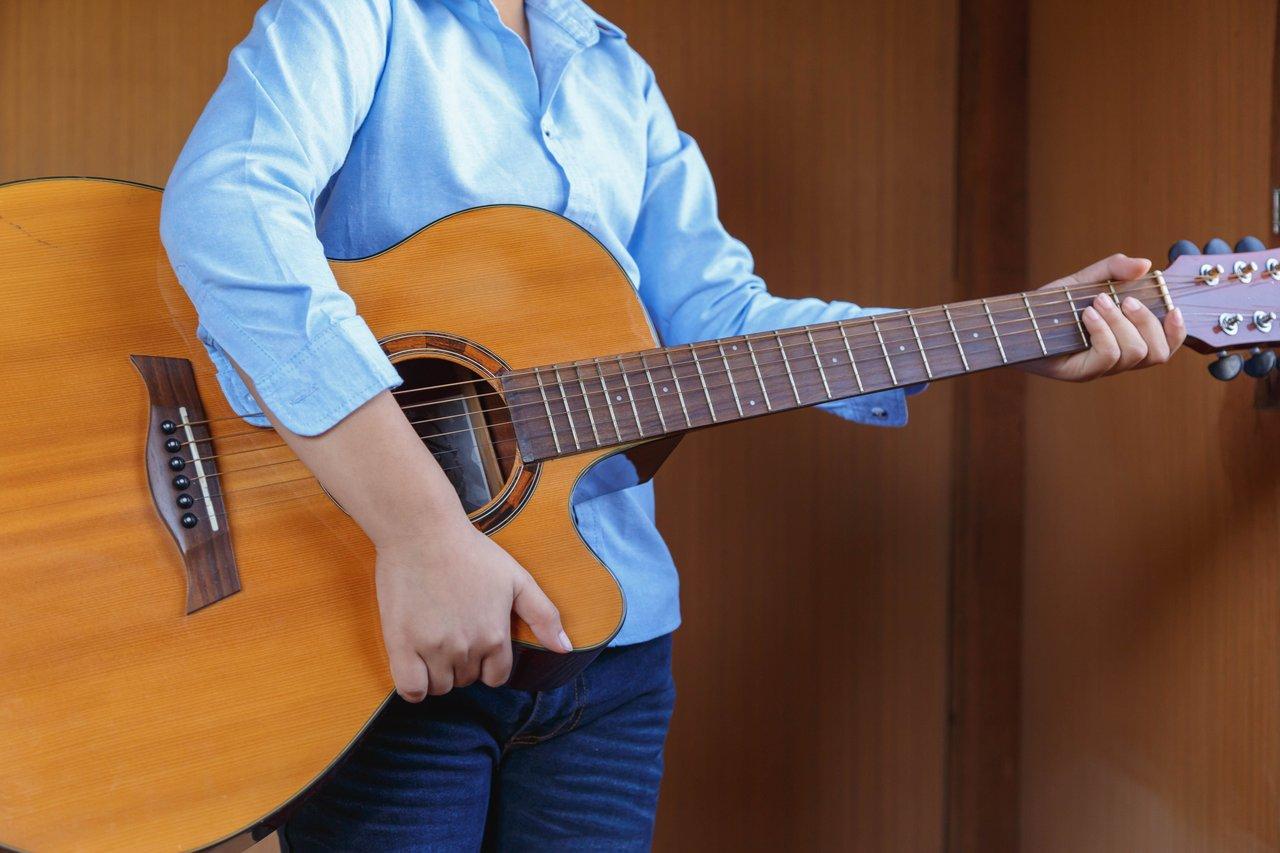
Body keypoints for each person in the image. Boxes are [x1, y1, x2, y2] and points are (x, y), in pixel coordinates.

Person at [158, 0, 1185, 847]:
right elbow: (225, 207)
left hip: (608, 651)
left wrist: (1009, 331)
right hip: (384, 642)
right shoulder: (355, 18)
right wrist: (421, 529)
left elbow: (720, 318)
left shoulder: (614, 75)